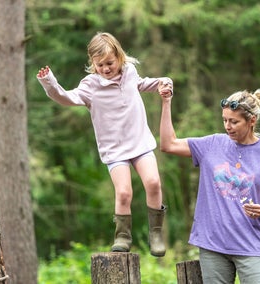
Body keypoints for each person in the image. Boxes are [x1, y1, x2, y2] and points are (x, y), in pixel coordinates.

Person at [36, 32, 172, 257]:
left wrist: (162, 82)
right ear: (93, 63)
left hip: (139, 141)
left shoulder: (130, 72)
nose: (106, 68)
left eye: (110, 63)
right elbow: (66, 98)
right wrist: (50, 83)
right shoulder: (90, 85)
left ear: (119, 57)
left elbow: (140, 84)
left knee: (154, 182)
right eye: (100, 65)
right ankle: (122, 235)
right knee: (124, 192)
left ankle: (156, 233)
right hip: (114, 149)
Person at [158, 87, 260, 283]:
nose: (227, 126)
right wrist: (166, 102)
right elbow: (168, 144)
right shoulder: (212, 144)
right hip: (213, 246)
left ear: (252, 120)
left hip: (252, 246)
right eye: (225, 120)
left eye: (234, 121)